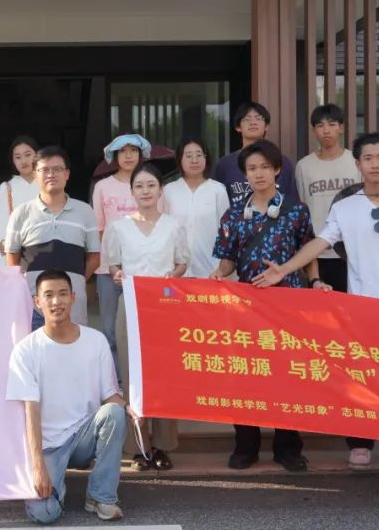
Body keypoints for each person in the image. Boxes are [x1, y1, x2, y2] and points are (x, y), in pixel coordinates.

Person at [252, 132, 379, 470]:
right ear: (357, 164)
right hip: (361, 309)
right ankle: (360, 443)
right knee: (361, 379)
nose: (374, 164)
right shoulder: (345, 207)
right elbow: (320, 242)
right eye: (367, 158)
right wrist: (285, 269)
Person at [211, 139, 325, 472]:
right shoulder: (234, 214)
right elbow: (228, 260)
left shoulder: (296, 210)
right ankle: (246, 445)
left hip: (288, 304)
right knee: (246, 375)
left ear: (277, 170)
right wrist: (219, 274)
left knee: (288, 376)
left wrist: (315, 281)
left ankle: (287, 446)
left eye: (264, 167)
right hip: (247, 307)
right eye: (251, 168)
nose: (258, 173)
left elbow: (308, 253)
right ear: (244, 174)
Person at [6, 269, 133, 524]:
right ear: (37, 301)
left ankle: (101, 496)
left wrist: (131, 409)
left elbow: (110, 396)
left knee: (115, 413)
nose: (57, 301)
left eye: (63, 294)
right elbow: (30, 413)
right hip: (49, 445)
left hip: (83, 437)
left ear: (73, 297)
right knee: (44, 514)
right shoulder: (25, 350)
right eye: (49, 295)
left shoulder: (95, 341)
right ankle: (56, 486)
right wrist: (37, 466)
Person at [106, 163, 189, 472]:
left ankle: (163, 445)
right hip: (130, 305)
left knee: (164, 374)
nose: (145, 191)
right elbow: (113, 264)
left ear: (160, 190)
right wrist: (117, 274)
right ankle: (138, 447)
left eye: (151, 185)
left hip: (164, 307)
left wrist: (173, 276)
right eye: (139, 186)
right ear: (132, 192)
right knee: (132, 375)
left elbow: (182, 262)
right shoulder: (119, 227)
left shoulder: (173, 225)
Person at [5, 146, 101, 331]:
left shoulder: (85, 211)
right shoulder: (21, 213)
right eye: (44, 170)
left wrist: (74, 280)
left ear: (67, 174)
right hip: (33, 305)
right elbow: (12, 259)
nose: (51, 174)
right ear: (35, 175)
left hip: (73, 304)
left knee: (73, 347)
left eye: (57, 169)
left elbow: (95, 257)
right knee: (34, 347)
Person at [93, 134, 157, 369]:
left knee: (144, 326)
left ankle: (142, 376)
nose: (128, 155)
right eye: (122, 151)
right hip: (109, 268)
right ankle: (116, 379)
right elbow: (99, 228)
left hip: (145, 268)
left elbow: (160, 225)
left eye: (133, 150)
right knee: (110, 328)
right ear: (114, 156)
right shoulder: (102, 187)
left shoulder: (152, 186)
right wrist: (111, 262)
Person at [294, 104, 362, 292]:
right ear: (313, 130)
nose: (326, 130)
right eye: (320, 125)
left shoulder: (356, 162)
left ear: (341, 127)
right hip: (318, 251)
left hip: (352, 249)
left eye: (332, 124)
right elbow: (303, 207)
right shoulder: (304, 166)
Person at [163, 137, 230, 278]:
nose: (194, 160)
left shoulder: (218, 190)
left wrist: (222, 267)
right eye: (188, 156)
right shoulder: (169, 190)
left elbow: (226, 231)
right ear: (180, 160)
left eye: (199, 155)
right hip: (174, 271)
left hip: (210, 270)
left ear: (206, 158)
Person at [213, 102, 299, 207]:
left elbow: (292, 200)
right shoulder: (224, 165)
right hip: (239, 217)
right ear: (238, 127)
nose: (253, 123)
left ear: (266, 126)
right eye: (247, 119)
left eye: (258, 118)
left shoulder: (282, 161)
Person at [0, 135, 39, 253]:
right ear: (13, 161)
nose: (23, 161)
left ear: (37, 155)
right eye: (18, 157)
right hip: (16, 250)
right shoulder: (7, 187)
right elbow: (3, 223)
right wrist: (5, 243)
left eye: (28, 155)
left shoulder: (47, 184)